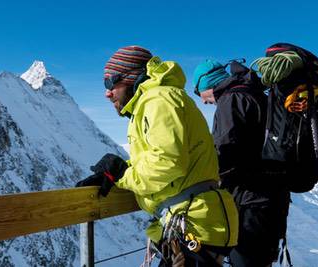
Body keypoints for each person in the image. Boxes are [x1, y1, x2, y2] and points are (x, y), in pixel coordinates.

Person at [76, 46, 238, 266]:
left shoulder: (158, 99)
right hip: (194, 221)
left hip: (193, 224)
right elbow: (162, 157)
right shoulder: (155, 100)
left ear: (131, 77)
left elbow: (169, 162)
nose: (107, 92)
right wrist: (117, 172)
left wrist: (123, 175)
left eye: (110, 82)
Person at [193, 59, 290, 267]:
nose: (203, 101)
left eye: (199, 92)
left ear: (207, 83)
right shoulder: (255, 94)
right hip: (271, 197)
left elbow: (226, 152)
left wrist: (205, 176)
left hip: (250, 202)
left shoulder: (231, 100)